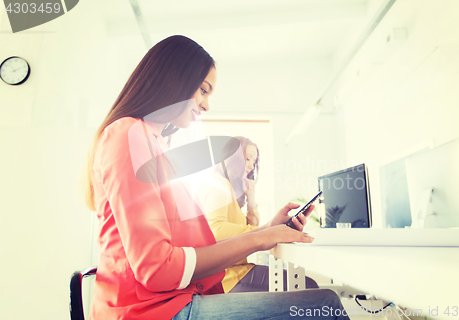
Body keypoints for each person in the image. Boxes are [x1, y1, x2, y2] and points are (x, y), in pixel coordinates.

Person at [84, 35, 350, 320]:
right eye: (203, 90)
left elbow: (195, 249)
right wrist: (260, 239)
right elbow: (157, 268)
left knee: (320, 301)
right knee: (324, 303)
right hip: (146, 311)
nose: (206, 105)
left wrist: (267, 231)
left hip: (168, 301)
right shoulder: (129, 135)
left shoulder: (153, 143)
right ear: (174, 79)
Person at [204, 136, 320, 293]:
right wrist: (268, 231)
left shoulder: (228, 188)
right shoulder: (220, 185)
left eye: (254, 161)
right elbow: (215, 231)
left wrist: (251, 199)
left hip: (235, 271)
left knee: (306, 284)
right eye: (248, 159)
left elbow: (250, 228)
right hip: (228, 278)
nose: (252, 165)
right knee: (308, 287)